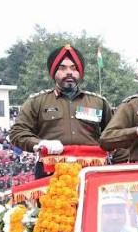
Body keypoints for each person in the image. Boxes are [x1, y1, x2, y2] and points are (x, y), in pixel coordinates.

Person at [9, 44, 112, 177]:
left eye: (74, 68)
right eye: (62, 68)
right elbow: (17, 133)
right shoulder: (37, 101)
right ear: (53, 73)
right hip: (51, 172)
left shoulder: (98, 102)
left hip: (91, 172)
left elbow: (114, 136)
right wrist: (39, 144)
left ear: (80, 72)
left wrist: (120, 168)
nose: (69, 72)